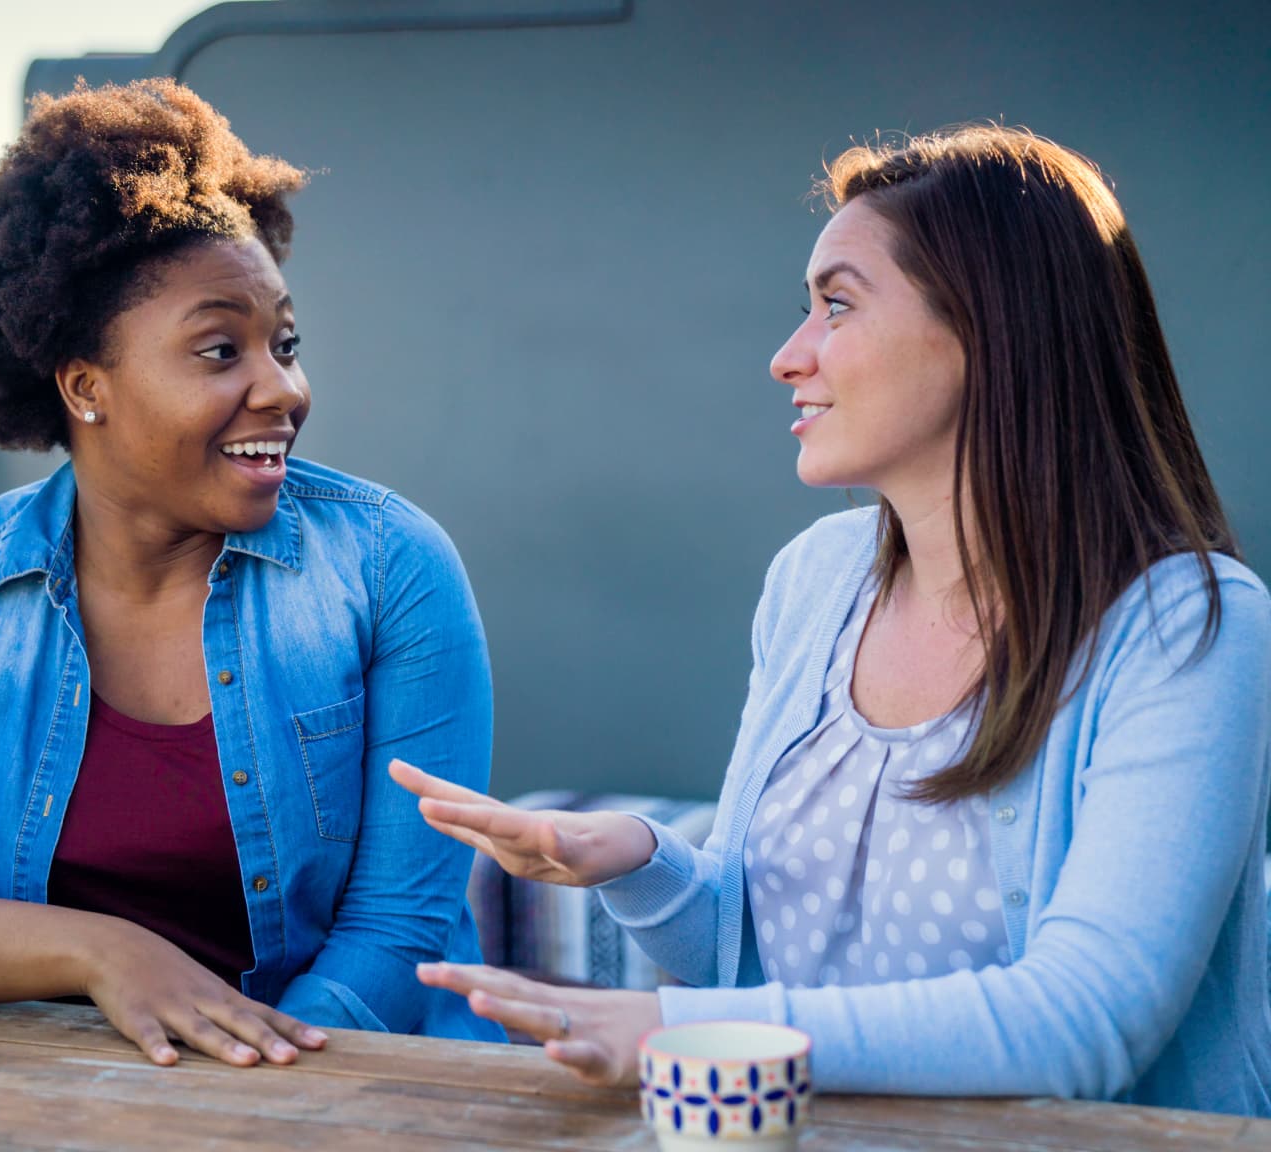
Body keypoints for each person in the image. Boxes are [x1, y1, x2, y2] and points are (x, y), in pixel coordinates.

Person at [394, 124, 1271, 1116]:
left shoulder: (1189, 629)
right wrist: (635, 861)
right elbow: (751, 955)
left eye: (836, 306)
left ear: (992, 329)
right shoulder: (816, 581)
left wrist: (668, 1034)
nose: (787, 355)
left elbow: (1087, 1021)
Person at [0, 78, 504, 1067]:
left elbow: (399, 931)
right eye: (220, 349)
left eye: (284, 344)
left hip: (349, 1091)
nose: (281, 389)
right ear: (85, 387)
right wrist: (101, 953)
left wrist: (243, 1092)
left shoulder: (388, 569)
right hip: (74, 1100)